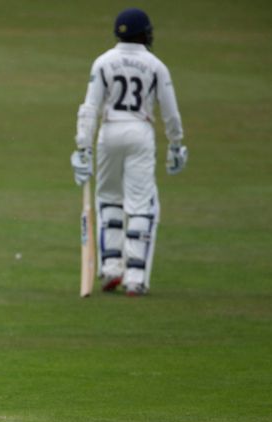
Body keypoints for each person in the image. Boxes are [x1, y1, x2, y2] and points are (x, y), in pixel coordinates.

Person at [71, 7, 188, 296]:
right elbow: (170, 111)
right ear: (145, 33)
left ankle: (111, 268)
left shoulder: (103, 62)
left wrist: (83, 147)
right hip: (140, 132)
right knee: (140, 203)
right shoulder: (156, 66)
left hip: (109, 132)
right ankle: (135, 275)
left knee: (109, 197)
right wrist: (176, 143)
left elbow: (90, 108)